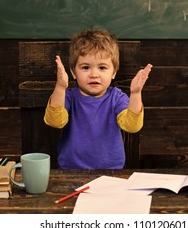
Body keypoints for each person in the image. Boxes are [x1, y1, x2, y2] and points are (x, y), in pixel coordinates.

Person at [44, 27, 152, 169]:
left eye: (102, 68)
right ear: (73, 72)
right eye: (85, 67)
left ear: (114, 72)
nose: (94, 74)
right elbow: (55, 122)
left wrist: (136, 94)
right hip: (71, 170)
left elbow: (131, 126)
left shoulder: (117, 98)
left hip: (111, 171)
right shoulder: (69, 97)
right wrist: (60, 87)